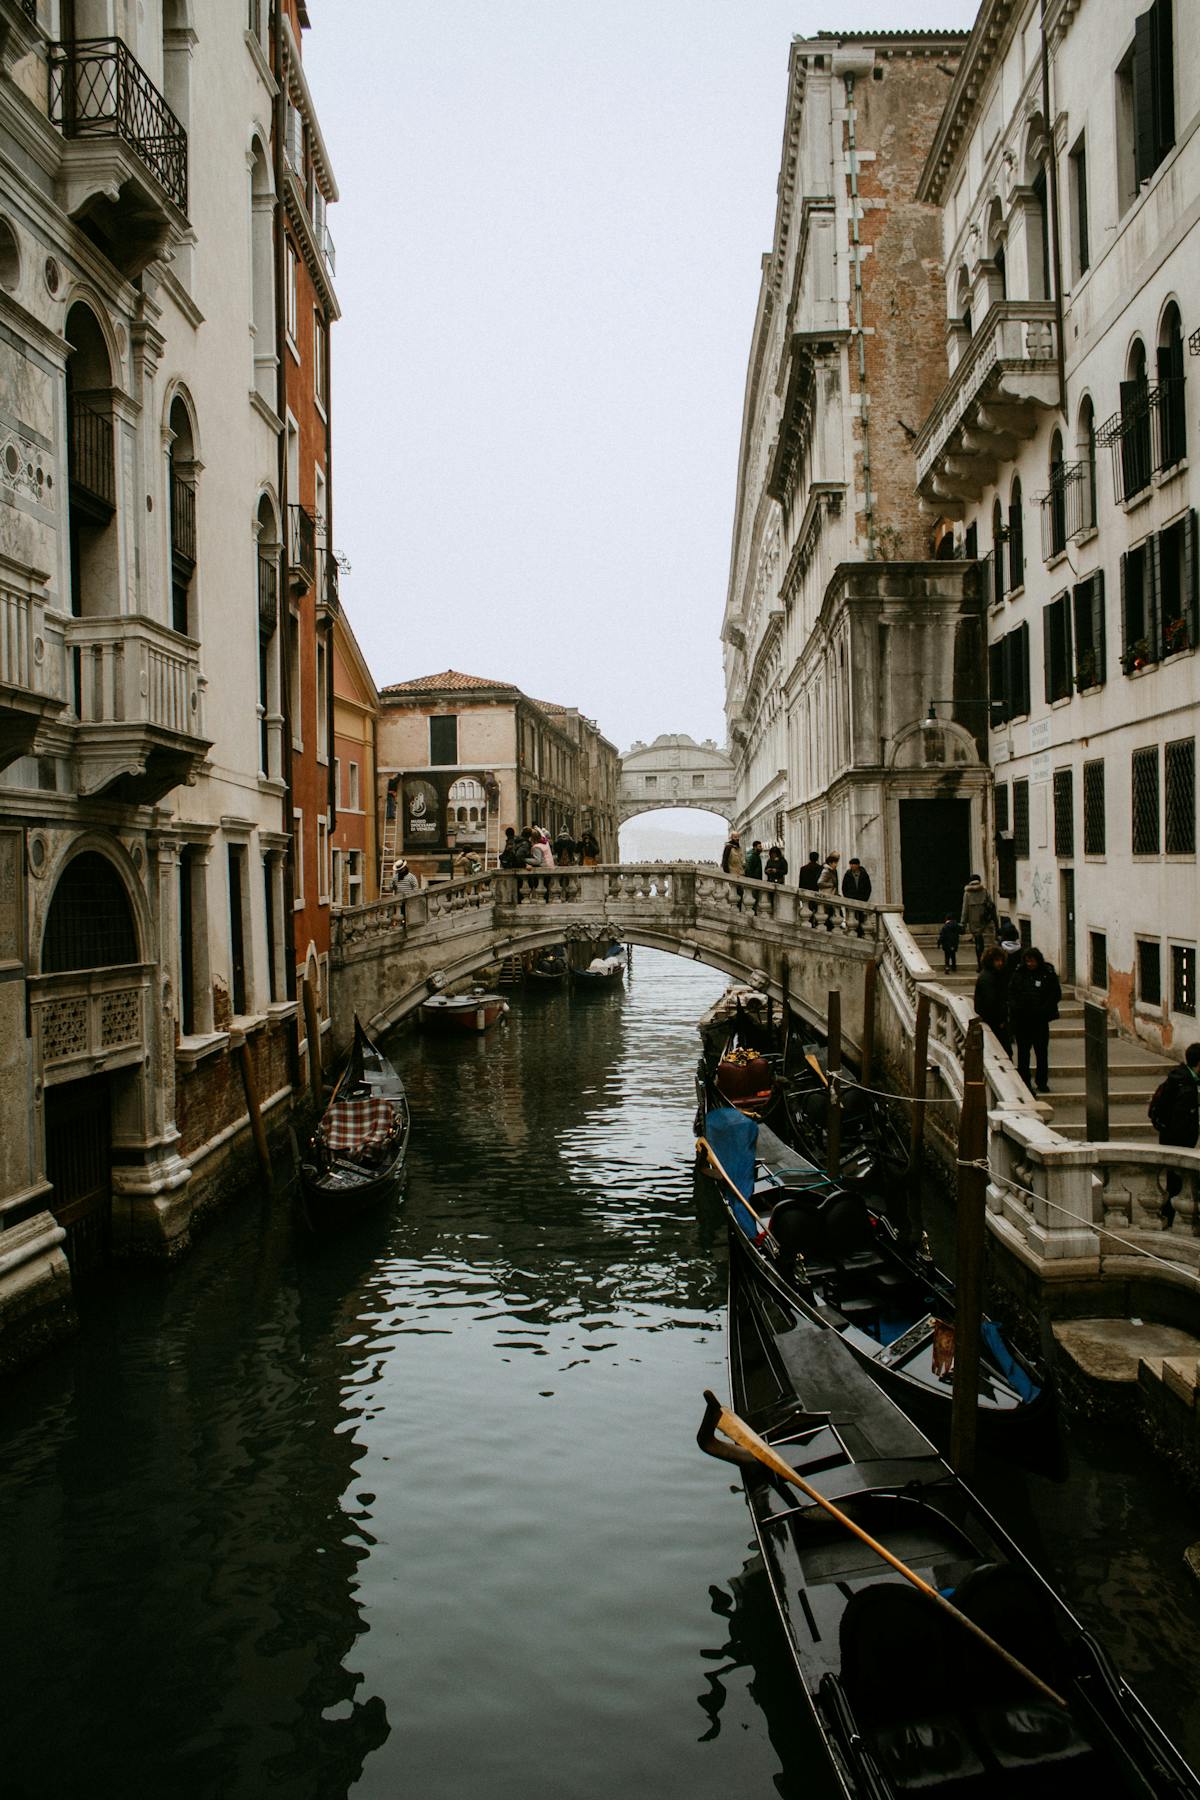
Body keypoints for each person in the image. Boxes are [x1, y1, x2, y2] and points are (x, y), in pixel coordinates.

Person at [1007, 946, 1061, 1095]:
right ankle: (1025, 1081)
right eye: (1027, 961)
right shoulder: (1019, 974)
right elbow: (1011, 993)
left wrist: (1043, 1010)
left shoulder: (1047, 974)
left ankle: (1042, 1082)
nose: (1030, 964)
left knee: (1041, 1053)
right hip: (1022, 1021)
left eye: (1032, 961)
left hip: (1040, 1021)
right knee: (1023, 1054)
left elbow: (1055, 994)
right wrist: (1017, 1008)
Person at [1153, 1043, 1200, 1211]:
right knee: (1177, 1182)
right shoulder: (1187, 1087)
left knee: (1174, 1181)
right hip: (1178, 1141)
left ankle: (1169, 1213)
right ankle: (1171, 1214)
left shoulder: (1179, 1076)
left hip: (1168, 1136)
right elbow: (1182, 1120)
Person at [973, 947, 1012, 1054]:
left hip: (994, 1021)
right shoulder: (988, 977)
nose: (1000, 963)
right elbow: (991, 1001)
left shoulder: (994, 975)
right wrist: (1000, 1020)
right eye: (997, 960)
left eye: (1001, 960)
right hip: (994, 1022)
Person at [960, 873, 999, 968]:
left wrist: (963, 924)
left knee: (978, 943)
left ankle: (980, 963)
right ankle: (984, 961)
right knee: (985, 943)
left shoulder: (967, 894)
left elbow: (965, 910)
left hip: (974, 922)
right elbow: (991, 905)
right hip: (985, 921)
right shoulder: (985, 891)